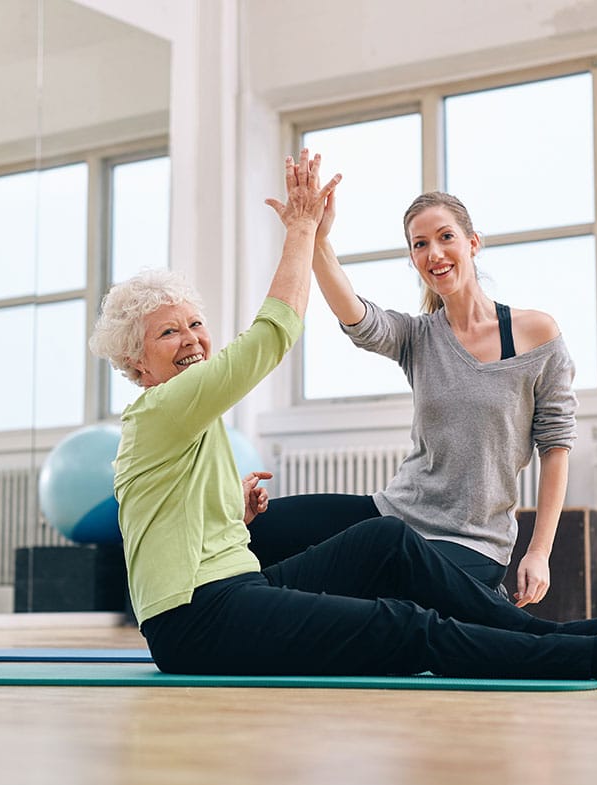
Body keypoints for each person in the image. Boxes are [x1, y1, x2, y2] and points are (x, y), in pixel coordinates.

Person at [88, 149, 597, 685]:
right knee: (404, 625)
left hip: (245, 583)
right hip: (197, 615)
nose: (192, 338)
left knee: (385, 543)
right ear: (137, 364)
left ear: (473, 242)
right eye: (169, 332)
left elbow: (167, 506)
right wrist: (305, 233)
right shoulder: (168, 404)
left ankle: (573, 640)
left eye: (196, 323)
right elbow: (281, 332)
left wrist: (228, 508)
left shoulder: (188, 413)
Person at [248, 189, 579, 610]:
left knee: (368, 589)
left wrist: (539, 552)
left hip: (472, 543)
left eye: (445, 237)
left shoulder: (537, 334)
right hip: (394, 515)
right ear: (412, 258)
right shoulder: (418, 337)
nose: (434, 253)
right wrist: (314, 236)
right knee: (255, 530)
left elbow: (556, 447)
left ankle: (480, 600)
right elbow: (358, 317)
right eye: (420, 244)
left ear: (472, 243)